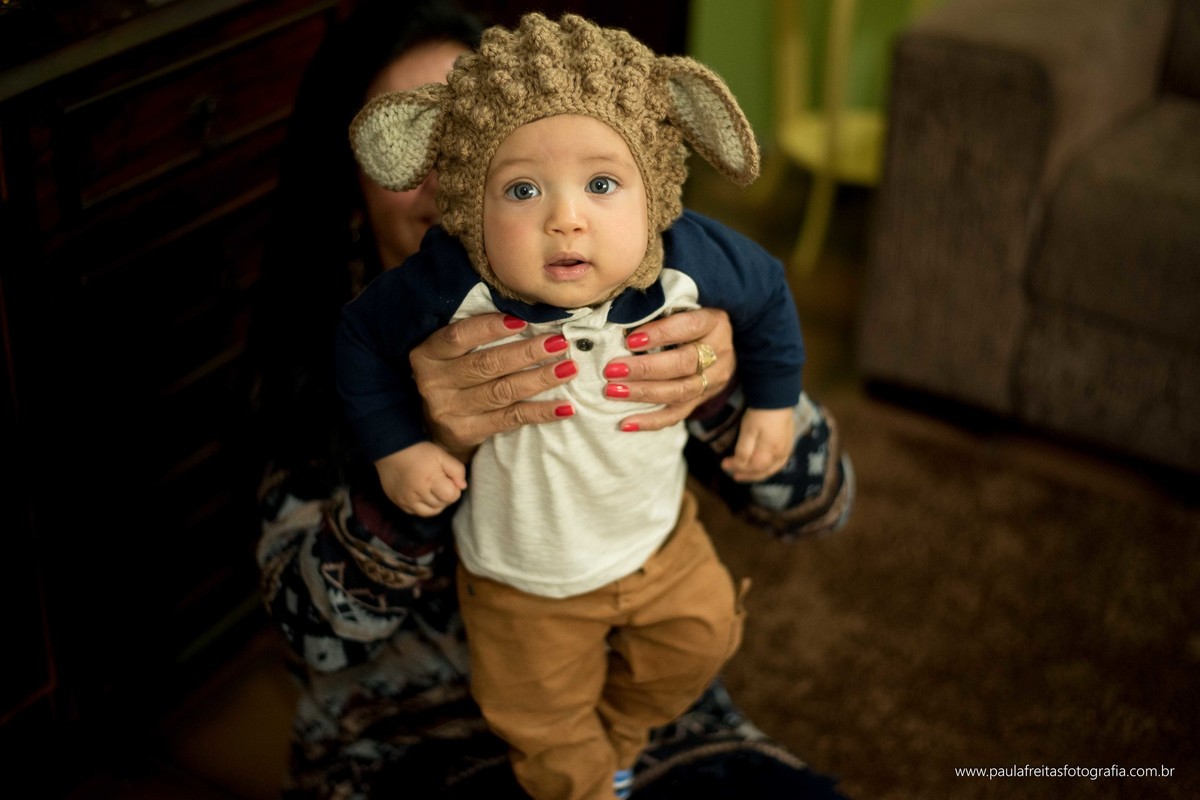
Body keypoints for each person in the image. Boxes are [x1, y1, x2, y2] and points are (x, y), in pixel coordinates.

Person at [249, 1, 853, 798]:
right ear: (360, 173)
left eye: (471, 135)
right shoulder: (329, 342)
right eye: (431, 147)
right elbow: (316, 634)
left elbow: (818, 506)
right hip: (409, 738)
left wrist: (719, 382)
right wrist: (418, 448)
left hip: (639, 698)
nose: (449, 177)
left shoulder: (657, 278)